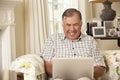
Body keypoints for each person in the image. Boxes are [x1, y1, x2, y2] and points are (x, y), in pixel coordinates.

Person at [41, 8, 106, 80]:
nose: (72, 29)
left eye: (75, 25)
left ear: (81, 24)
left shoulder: (90, 41)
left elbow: (101, 67)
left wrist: (88, 73)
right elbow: (46, 64)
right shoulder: (53, 39)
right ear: (62, 25)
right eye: (68, 25)